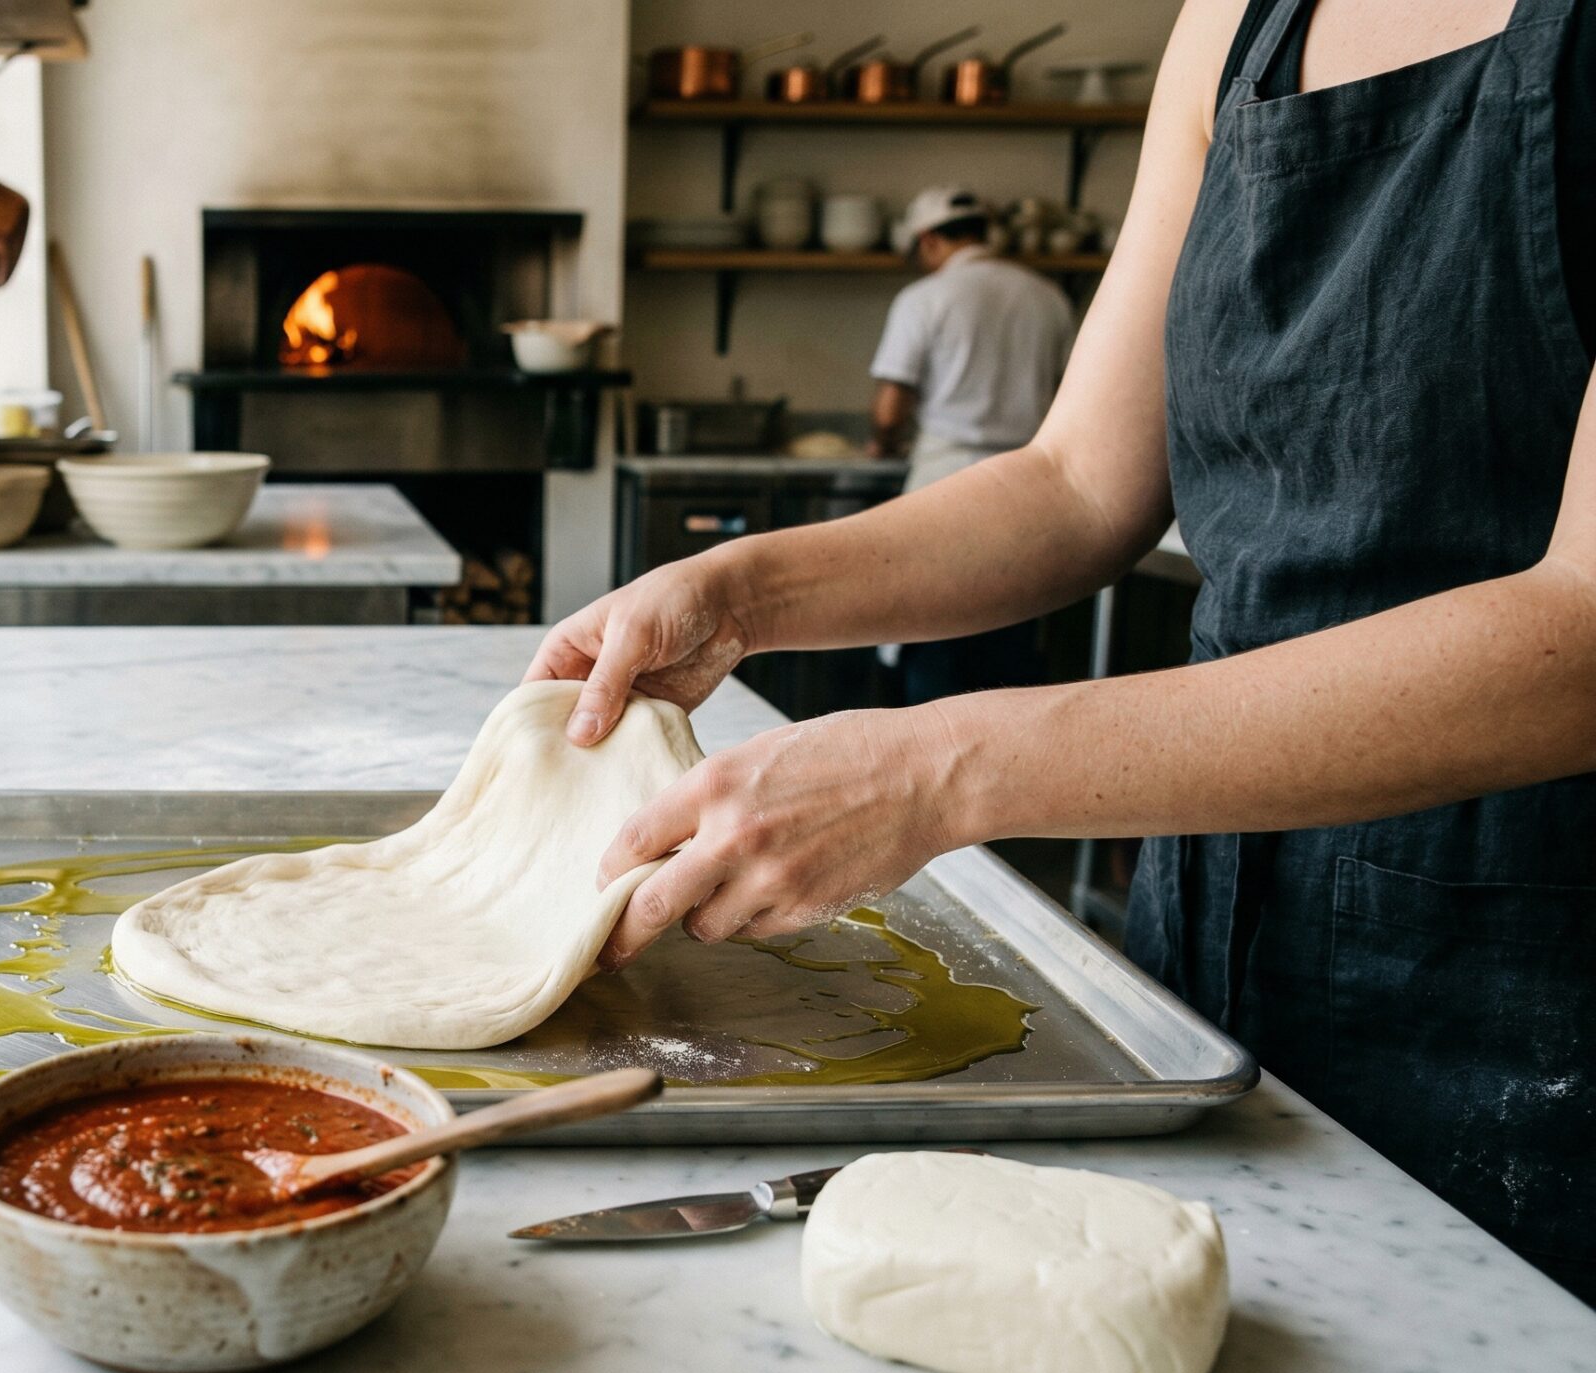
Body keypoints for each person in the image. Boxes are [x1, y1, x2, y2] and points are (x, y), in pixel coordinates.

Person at [530, 0, 1596, 1300]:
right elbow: (1076, 483)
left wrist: (939, 772)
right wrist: (740, 593)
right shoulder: (1238, 23)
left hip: (1530, 989)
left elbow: (1580, 629)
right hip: (1204, 942)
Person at [868, 187, 1077, 703]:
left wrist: (883, 444)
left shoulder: (925, 298)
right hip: (1029, 487)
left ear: (930, 240)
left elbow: (891, 405)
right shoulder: (1046, 296)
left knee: (934, 639)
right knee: (1007, 649)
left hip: (944, 487)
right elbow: (1067, 396)